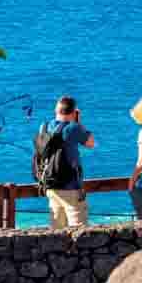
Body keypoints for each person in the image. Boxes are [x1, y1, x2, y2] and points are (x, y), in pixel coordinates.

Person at [33, 96, 96, 229]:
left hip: (50, 185)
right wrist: (78, 122)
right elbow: (91, 143)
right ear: (74, 112)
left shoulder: (44, 126)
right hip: (71, 187)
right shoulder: (73, 128)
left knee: (57, 229)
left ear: (56, 110)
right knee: (79, 229)